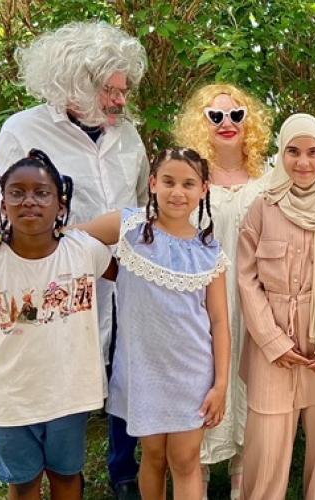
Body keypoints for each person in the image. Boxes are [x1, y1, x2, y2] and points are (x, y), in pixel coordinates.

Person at [0, 21, 150, 498]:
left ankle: (123, 471)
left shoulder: (127, 137)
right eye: (111, 90)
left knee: (124, 372)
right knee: (62, 377)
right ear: (75, 82)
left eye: (124, 91)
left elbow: (143, 201)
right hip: (53, 290)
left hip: (123, 279)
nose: (121, 101)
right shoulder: (24, 129)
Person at [71, 148, 231, 499]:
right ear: (153, 182)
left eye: (189, 184)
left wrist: (220, 385)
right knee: (153, 457)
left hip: (192, 374)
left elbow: (219, 321)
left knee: (185, 460)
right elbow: (74, 238)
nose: (178, 192)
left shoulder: (209, 252)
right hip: (143, 371)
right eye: (169, 181)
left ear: (204, 190)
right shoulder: (127, 227)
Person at [0, 150, 116, 499]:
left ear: (61, 205)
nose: (29, 200)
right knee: (24, 483)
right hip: (12, 402)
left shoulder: (84, 251)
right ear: (3, 204)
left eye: (41, 192)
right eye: (17, 192)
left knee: (66, 476)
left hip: (69, 397)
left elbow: (121, 273)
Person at [236, 113, 315, 499]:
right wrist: (274, 343)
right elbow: (247, 280)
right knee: (265, 455)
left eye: (313, 152)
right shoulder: (263, 207)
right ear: (281, 153)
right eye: (293, 152)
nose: (303, 162)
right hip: (272, 351)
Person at [173, 83, 272, 499]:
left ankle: (241, 479)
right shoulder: (189, 175)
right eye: (216, 116)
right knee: (202, 382)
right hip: (201, 301)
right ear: (202, 123)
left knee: (249, 383)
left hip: (255, 298)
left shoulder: (269, 176)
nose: (227, 124)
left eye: (236, 115)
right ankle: (195, 477)